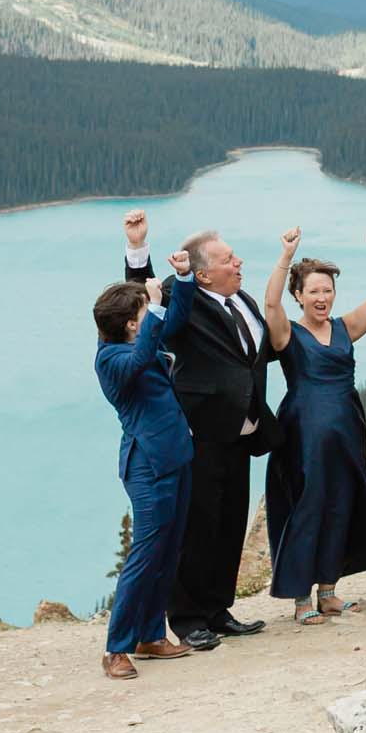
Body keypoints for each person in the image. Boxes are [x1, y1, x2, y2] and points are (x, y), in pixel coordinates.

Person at [123, 211, 278, 649]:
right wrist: (138, 250)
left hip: (242, 432)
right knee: (199, 528)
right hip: (203, 433)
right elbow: (142, 296)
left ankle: (217, 609)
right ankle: (187, 617)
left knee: (230, 525)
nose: (239, 263)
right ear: (204, 274)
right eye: (229, 259)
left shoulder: (242, 300)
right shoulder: (185, 301)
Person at [261, 227, 366, 626]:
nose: (322, 298)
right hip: (304, 434)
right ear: (298, 295)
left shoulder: (344, 328)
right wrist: (286, 256)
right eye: (313, 291)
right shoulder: (287, 334)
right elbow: (269, 302)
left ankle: (329, 591)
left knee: (341, 504)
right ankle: (301, 598)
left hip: (347, 429)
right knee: (308, 507)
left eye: (327, 291)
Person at [94, 247, 198, 680]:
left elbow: (172, 323)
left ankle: (151, 635)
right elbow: (141, 360)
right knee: (144, 553)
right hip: (147, 464)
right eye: (142, 311)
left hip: (176, 454)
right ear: (131, 324)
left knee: (169, 549)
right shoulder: (112, 359)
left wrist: (185, 279)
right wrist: (153, 303)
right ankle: (116, 648)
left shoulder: (142, 338)